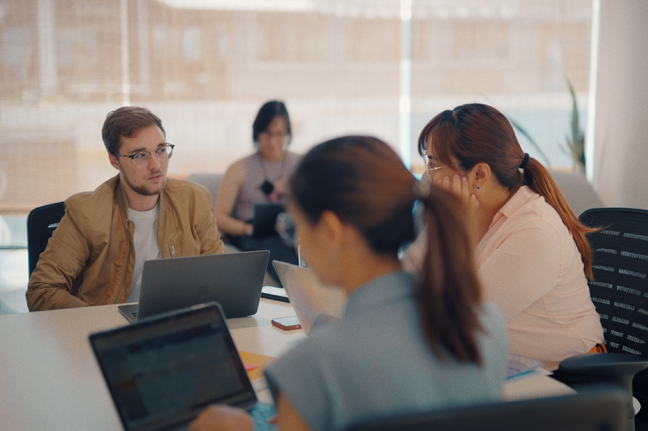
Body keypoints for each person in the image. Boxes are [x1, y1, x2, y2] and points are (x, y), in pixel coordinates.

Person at [190, 136, 508, 431]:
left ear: (330, 229)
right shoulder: (487, 324)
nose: (296, 239)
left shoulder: (313, 366)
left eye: (295, 225)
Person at [403, 103, 604, 371]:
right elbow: (401, 282)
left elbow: (460, 326)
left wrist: (446, 228)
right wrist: (444, 224)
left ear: (479, 175)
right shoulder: (472, 217)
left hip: (568, 384)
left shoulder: (536, 231)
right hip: (508, 371)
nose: (425, 177)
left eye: (433, 164)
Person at [26, 106, 224, 311]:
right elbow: (42, 291)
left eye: (161, 150)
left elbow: (221, 273)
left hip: (180, 324)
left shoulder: (194, 199)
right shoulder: (85, 213)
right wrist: (103, 324)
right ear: (115, 161)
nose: (156, 165)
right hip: (112, 329)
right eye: (140, 155)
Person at [214, 100, 301, 283]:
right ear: (257, 132)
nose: (272, 141)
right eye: (266, 133)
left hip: (292, 230)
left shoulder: (301, 164)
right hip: (253, 234)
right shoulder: (239, 168)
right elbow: (219, 216)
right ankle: (302, 293)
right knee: (271, 245)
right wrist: (247, 229)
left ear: (288, 133)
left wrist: (292, 190)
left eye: (280, 134)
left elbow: (317, 205)